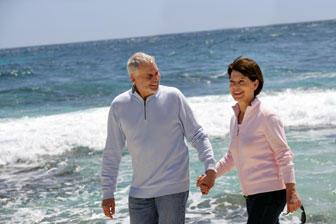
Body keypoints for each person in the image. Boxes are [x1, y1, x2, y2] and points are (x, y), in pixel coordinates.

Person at [101, 52, 217, 224]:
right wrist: (108, 193)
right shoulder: (119, 106)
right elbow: (112, 152)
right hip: (139, 192)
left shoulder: (174, 97)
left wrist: (210, 168)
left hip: (173, 188)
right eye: (149, 75)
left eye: (157, 73)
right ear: (133, 79)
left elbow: (197, 135)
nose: (156, 78)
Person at [197, 56, 302, 224]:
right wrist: (211, 175)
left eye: (241, 81)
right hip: (251, 195)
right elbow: (232, 157)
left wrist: (292, 192)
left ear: (255, 84)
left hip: (270, 194)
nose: (235, 87)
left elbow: (284, 155)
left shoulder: (267, 116)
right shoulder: (235, 117)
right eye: (232, 82)